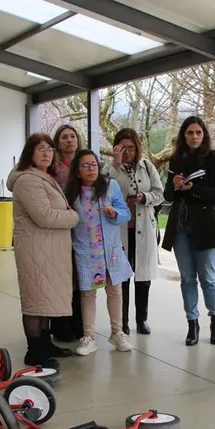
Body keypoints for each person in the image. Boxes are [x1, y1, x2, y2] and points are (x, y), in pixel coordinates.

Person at [7, 133, 80, 370]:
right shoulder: (28, 180)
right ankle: (34, 351)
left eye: (49, 149)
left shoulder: (42, 176)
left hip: (46, 249)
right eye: (41, 149)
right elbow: (44, 215)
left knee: (43, 299)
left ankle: (45, 344)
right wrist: (73, 216)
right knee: (34, 302)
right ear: (30, 153)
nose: (47, 153)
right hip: (35, 250)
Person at [161, 116, 215, 346]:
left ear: (204, 135)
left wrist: (193, 188)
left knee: (208, 278)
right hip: (180, 227)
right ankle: (193, 324)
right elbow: (168, 196)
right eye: (189, 133)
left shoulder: (214, 158)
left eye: (198, 132)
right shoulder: (176, 159)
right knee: (187, 278)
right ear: (183, 135)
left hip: (206, 227)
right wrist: (175, 185)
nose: (194, 137)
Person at [66, 149, 133, 356]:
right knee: (88, 293)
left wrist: (115, 213)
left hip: (110, 249)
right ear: (77, 171)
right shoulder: (72, 193)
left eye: (94, 164)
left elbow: (126, 214)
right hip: (86, 251)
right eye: (85, 166)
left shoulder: (111, 187)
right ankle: (89, 337)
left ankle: (117, 333)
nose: (91, 169)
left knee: (115, 290)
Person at [104, 128, 164, 335]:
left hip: (143, 229)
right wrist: (116, 163)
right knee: (122, 276)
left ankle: (142, 319)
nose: (128, 152)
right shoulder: (111, 168)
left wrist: (144, 197)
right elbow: (101, 190)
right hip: (118, 230)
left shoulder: (147, 166)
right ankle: (123, 321)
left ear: (137, 147)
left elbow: (159, 193)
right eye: (123, 148)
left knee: (143, 276)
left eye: (131, 147)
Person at [50, 124, 84, 345]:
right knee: (62, 277)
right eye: (64, 137)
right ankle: (61, 326)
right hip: (60, 226)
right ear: (58, 142)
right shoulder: (52, 167)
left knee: (80, 276)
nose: (69, 140)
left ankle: (79, 325)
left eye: (73, 136)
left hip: (83, 227)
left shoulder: (85, 163)